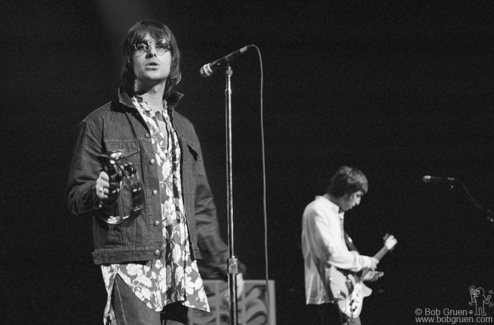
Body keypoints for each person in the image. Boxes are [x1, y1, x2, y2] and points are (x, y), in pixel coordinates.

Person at [67, 20, 245, 325]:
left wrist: (223, 264)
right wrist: (96, 191)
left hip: (179, 266)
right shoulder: (101, 122)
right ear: (129, 59)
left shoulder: (184, 128)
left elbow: (200, 206)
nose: (152, 52)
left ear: (173, 59)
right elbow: (76, 195)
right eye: (142, 46)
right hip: (132, 263)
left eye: (161, 46)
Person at [301, 166, 379, 325]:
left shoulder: (334, 213)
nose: (358, 202)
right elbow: (330, 254)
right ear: (346, 191)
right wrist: (365, 261)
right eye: (357, 196)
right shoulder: (318, 210)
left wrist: (358, 274)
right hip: (329, 294)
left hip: (341, 293)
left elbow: (338, 261)